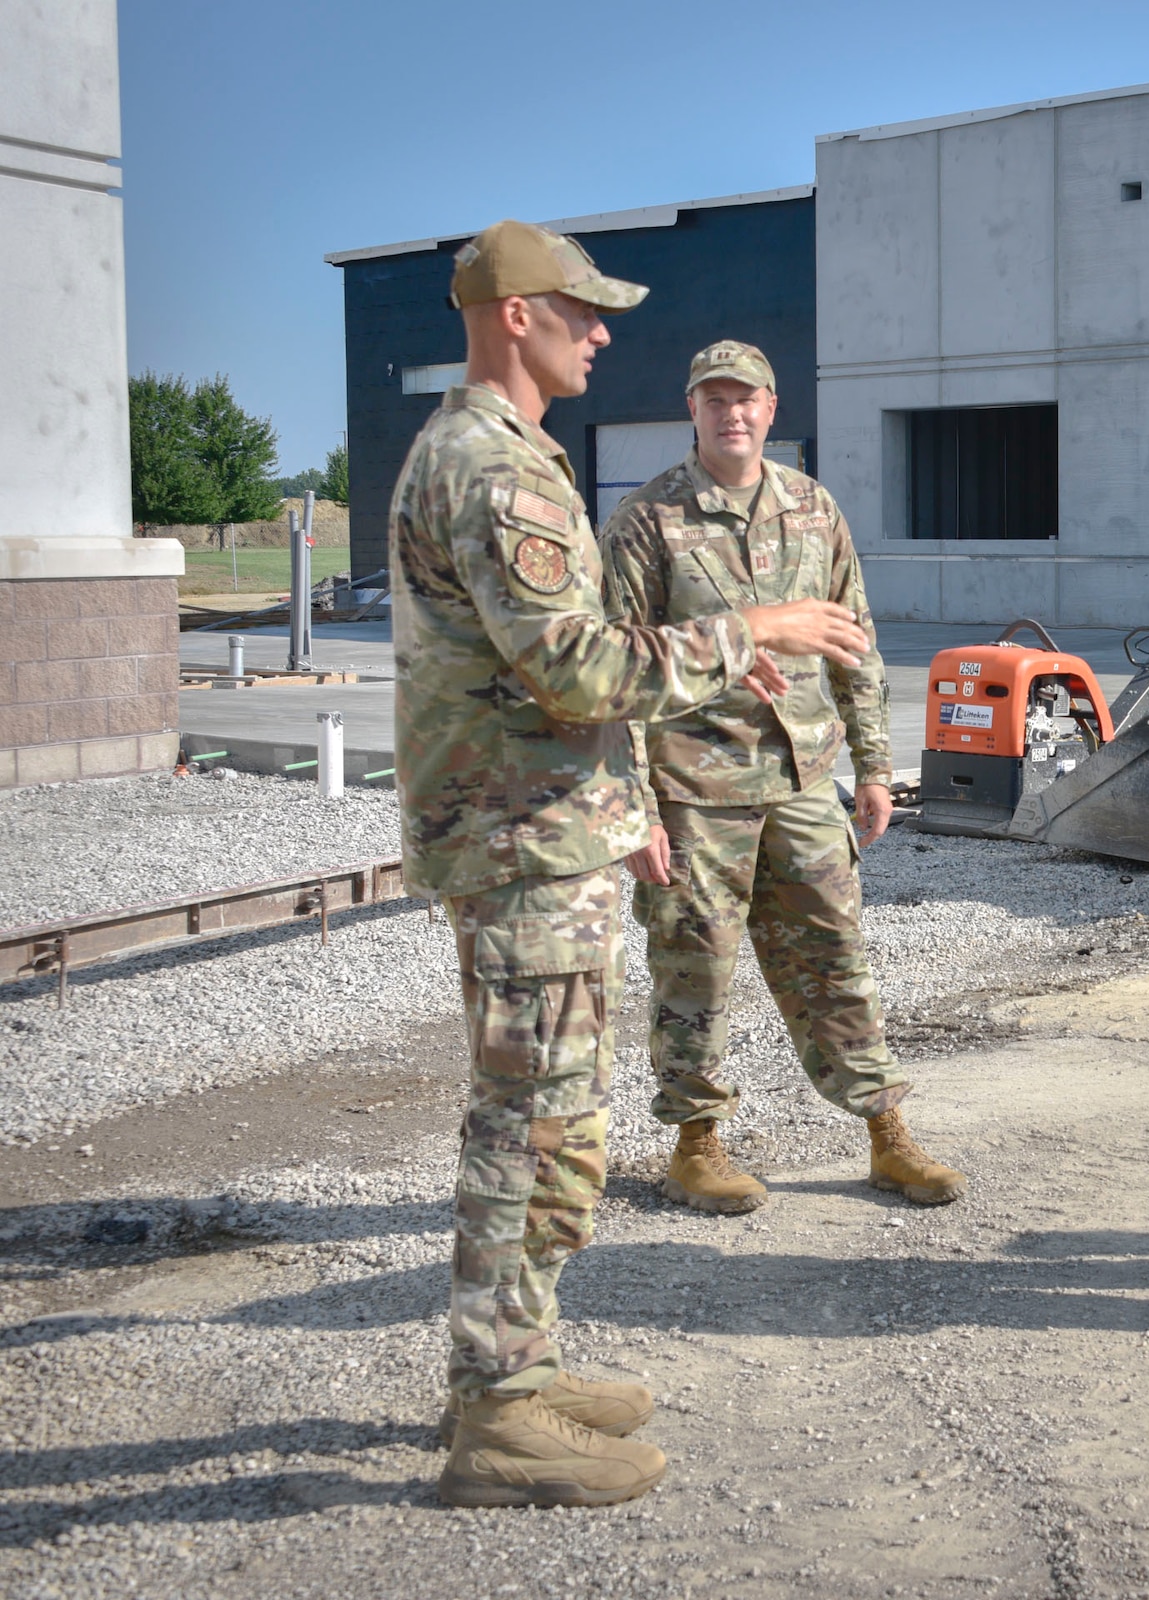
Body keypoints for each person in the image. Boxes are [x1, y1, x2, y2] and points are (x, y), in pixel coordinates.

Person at [391, 223, 870, 1506]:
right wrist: (746, 628)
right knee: (534, 1127)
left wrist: (623, 789)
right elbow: (577, 664)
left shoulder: (511, 454)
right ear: (512, 318)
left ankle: (520, 1368)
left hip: (551, 824)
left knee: (558, 1120)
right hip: (522, 840)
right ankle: (496, 1415)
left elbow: (567, 667)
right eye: (580, 311)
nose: (602, 332)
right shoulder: (493, 468)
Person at [600, 339, 966, 1216]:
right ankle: (695, 1144)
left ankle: (885, 1133)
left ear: (772, 410)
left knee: (837, 955)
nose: (732, 413)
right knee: (696, 970)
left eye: (748, 398)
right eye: (714, 398)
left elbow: (855, 641)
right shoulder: (647, 522)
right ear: (691, 410)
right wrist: (633, 810)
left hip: (802, 778)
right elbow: (612, 673)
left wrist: (876, 765)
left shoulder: (813, 508)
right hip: (692, 790)